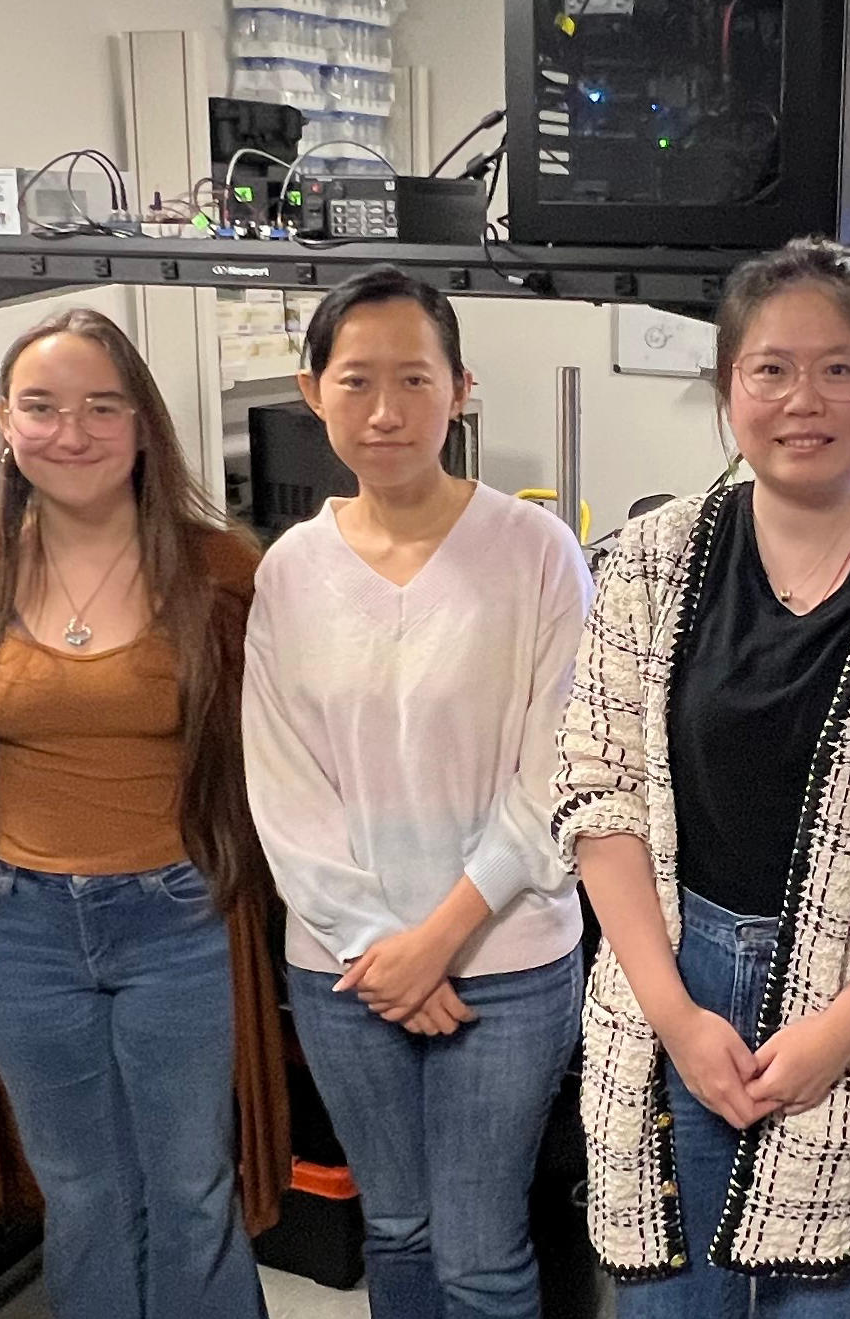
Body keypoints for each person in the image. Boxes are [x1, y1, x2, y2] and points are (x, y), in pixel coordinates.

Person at [556, 237, 850, 1318]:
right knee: (672, 1296)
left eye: (840, 369)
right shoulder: (650, 557)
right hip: (669, 984)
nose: (802, 399)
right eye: (770, 368)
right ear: (729, 386)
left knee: (831, 1289)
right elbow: (597, 788)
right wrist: (675, 1015)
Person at [0, 308, 289, 1319]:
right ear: (4, 422)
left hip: (179, 918)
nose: (71, 432)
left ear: (142, 424)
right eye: (41, 407)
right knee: (81, 1191)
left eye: (101, 406)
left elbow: (271, 758)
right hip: (21, 928)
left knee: (190, 1187)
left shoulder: (221, 574)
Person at [242, 267, 588, 1319]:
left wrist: (435, 938)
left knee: (479, 1249)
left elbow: (558, 771)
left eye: (414, 379)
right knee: (395, 1226)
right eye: (356, 381)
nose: (385, 410)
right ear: (313, 392)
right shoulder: (290, 569)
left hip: (506, 960)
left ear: (461, 389)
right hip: (346, 967)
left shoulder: (536, 552)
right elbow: (283, 783)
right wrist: (377, 944)